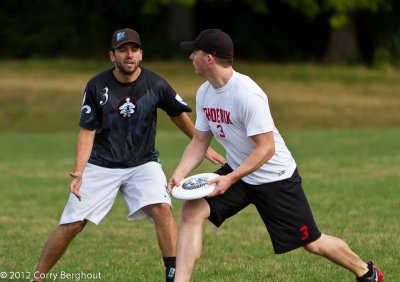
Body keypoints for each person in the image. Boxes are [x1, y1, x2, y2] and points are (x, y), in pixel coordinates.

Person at [168, 29, 384, 282]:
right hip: (239, 171)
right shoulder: (205, 92)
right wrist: (180, 173)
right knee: (192, 210)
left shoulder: (247, 94)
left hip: (274, 176)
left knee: (312, 242)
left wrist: (230, 178)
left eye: (195, 51)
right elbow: (200, 141)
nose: (190, 55)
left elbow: (266, 148)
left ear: (209, 58)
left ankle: (367, 273)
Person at [31, 28, 226, 282]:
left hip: (143, 163)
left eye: (134, 50)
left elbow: (178, 114)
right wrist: (79, 171)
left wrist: (203, 144)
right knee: (72, 224)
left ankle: (173, 276)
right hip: (102, 164)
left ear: (141, 54)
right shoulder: (96, 86)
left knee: (163, 210)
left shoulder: (155, 84)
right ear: (112, 56)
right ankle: (37, 277)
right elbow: (87, 131)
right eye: (122, 50)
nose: (129, 55)